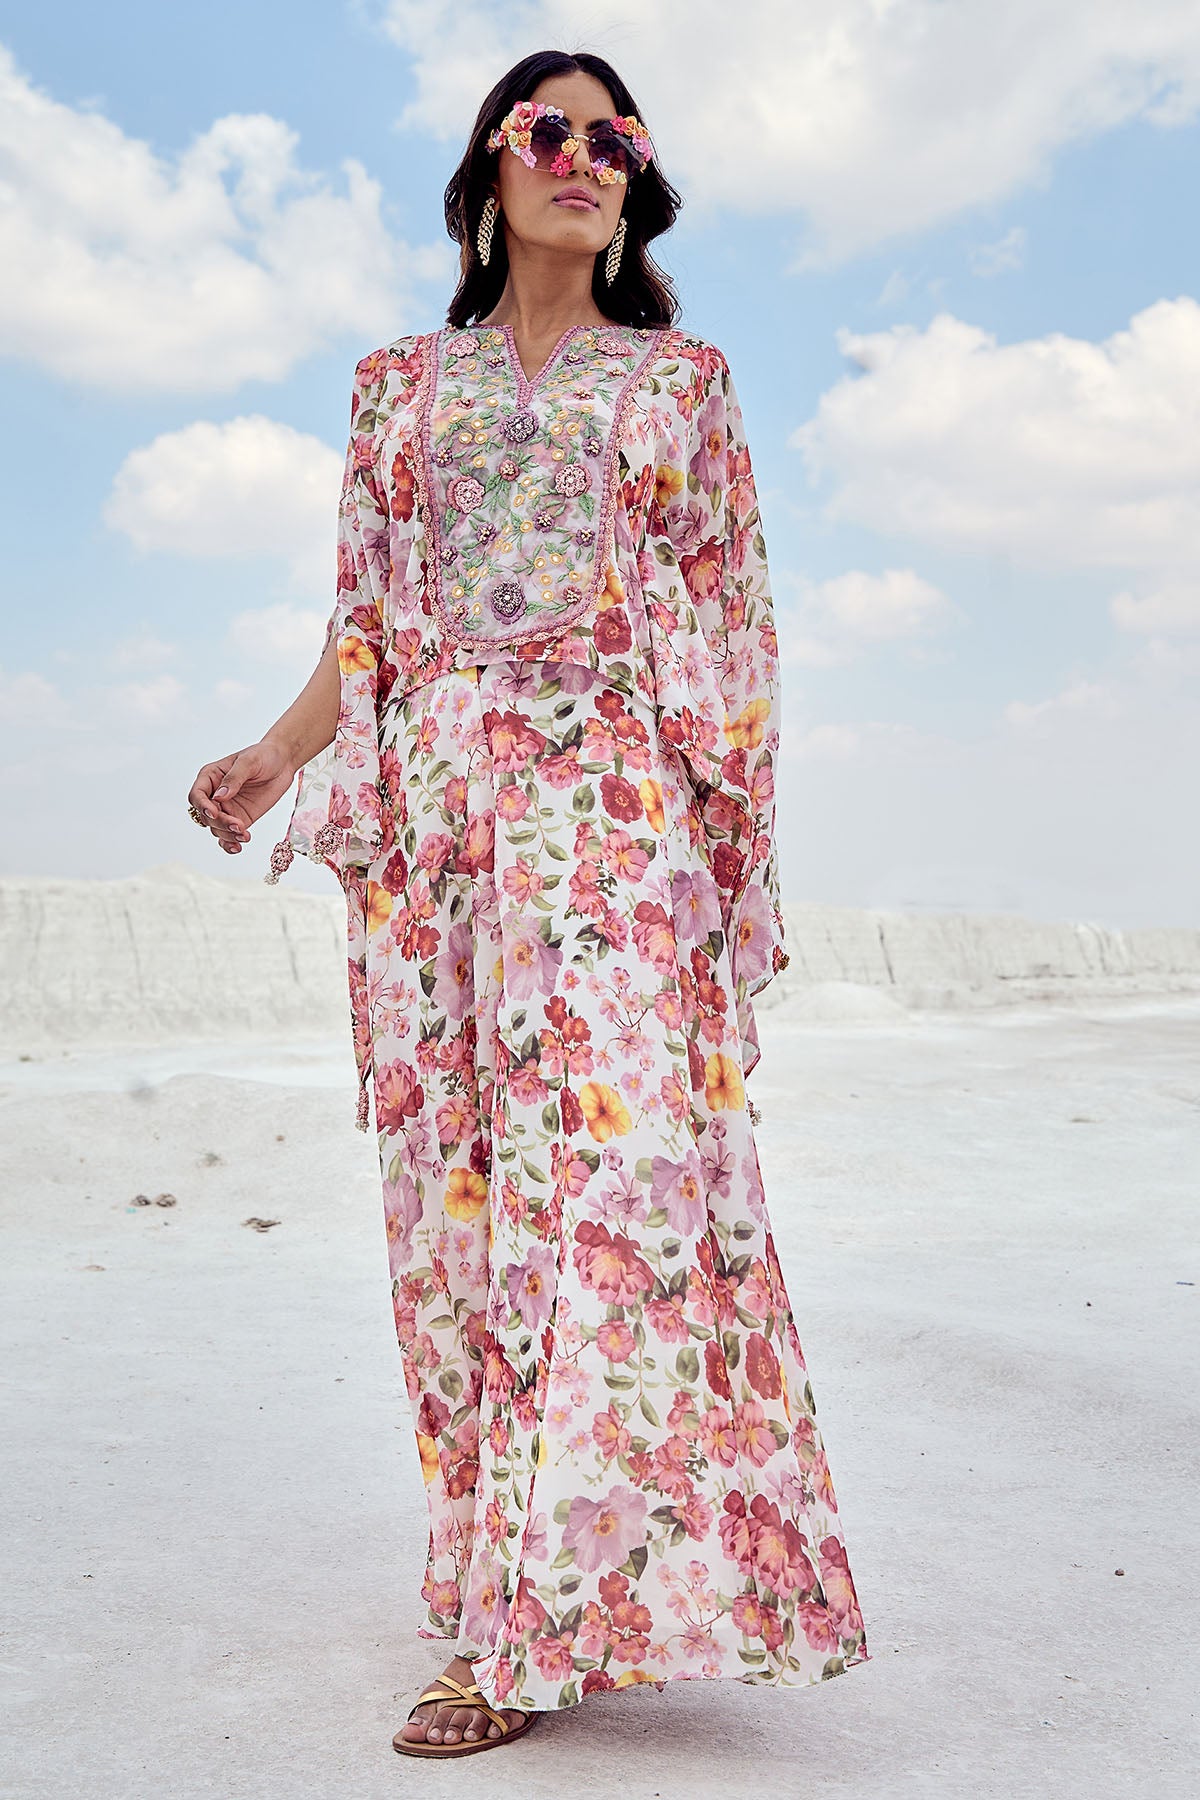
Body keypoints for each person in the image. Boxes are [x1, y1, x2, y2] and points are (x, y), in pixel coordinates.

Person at [187, 47, 869, 1761]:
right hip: (443, 838)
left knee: (612, 1199)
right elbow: (370, 621)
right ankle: (510, 1577)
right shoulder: (395, 389)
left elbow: (735, 628)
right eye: (546, 129)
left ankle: (531, 1634)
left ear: (636, 185)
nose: (583, 156)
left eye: (614, 138)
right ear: (490, 171)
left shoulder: (684, 384)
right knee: (470, 1206)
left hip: (619, 828)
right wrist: (277, 754)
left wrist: (723, 870)